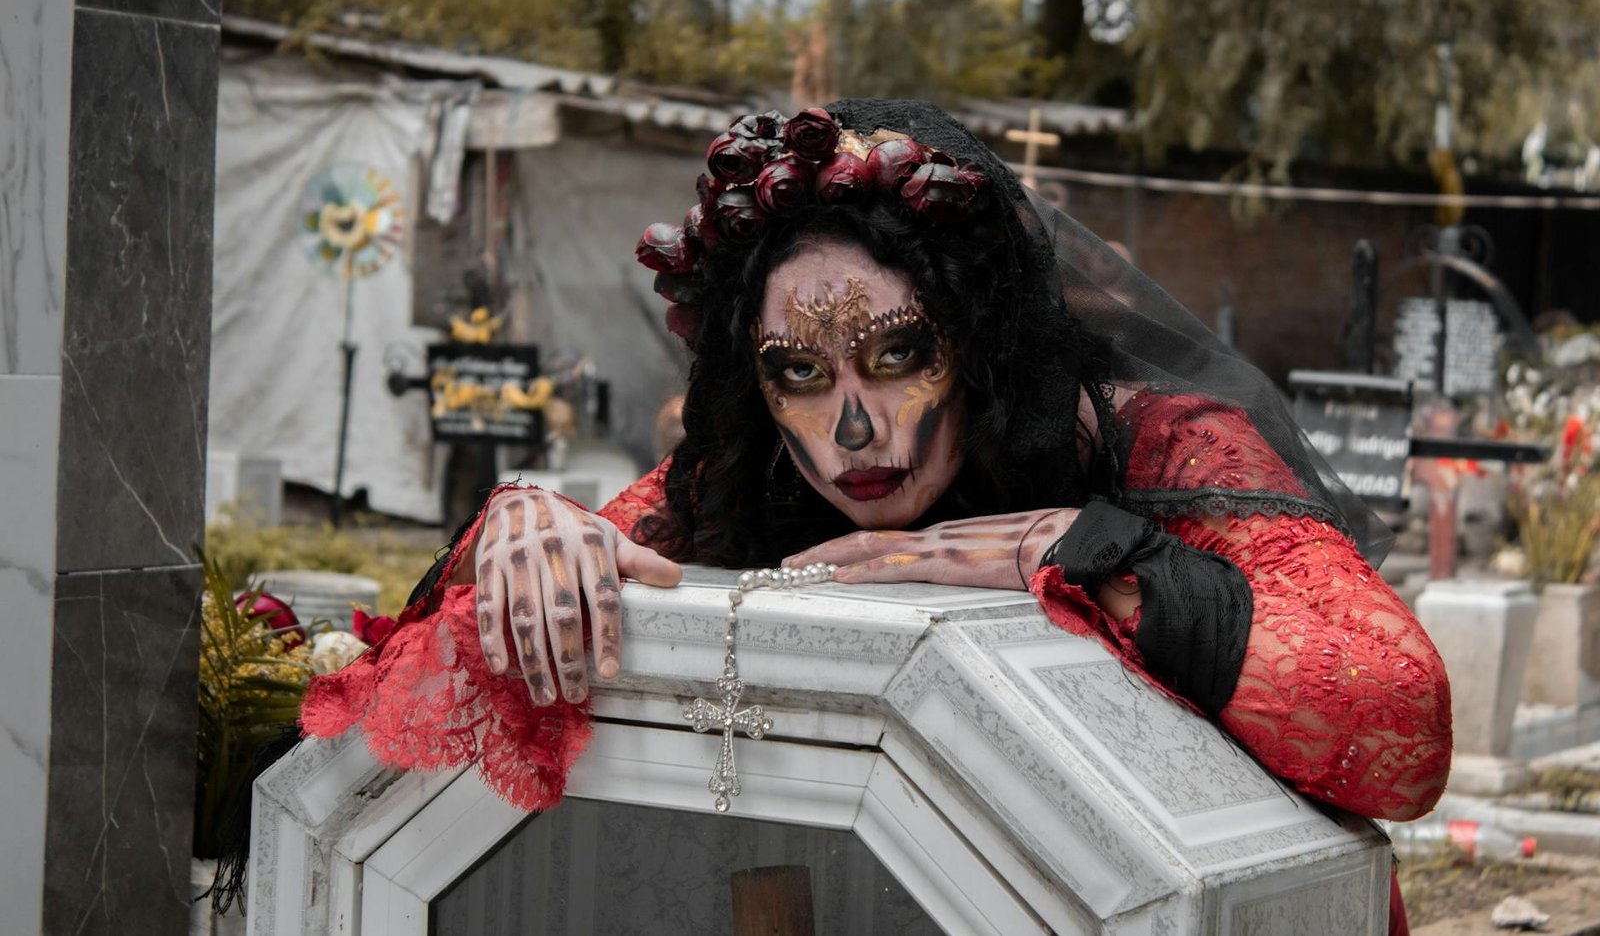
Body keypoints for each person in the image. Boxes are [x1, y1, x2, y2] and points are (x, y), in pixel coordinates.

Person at [302, 100, 1448, 933]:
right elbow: (484, 609)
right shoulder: (746, 484)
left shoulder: (1163, 446)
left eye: (898, 355)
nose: (853, 432)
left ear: (980, 338)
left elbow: (1399, 730)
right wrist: (521, 522)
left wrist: (1085, 554)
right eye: (799, 372)